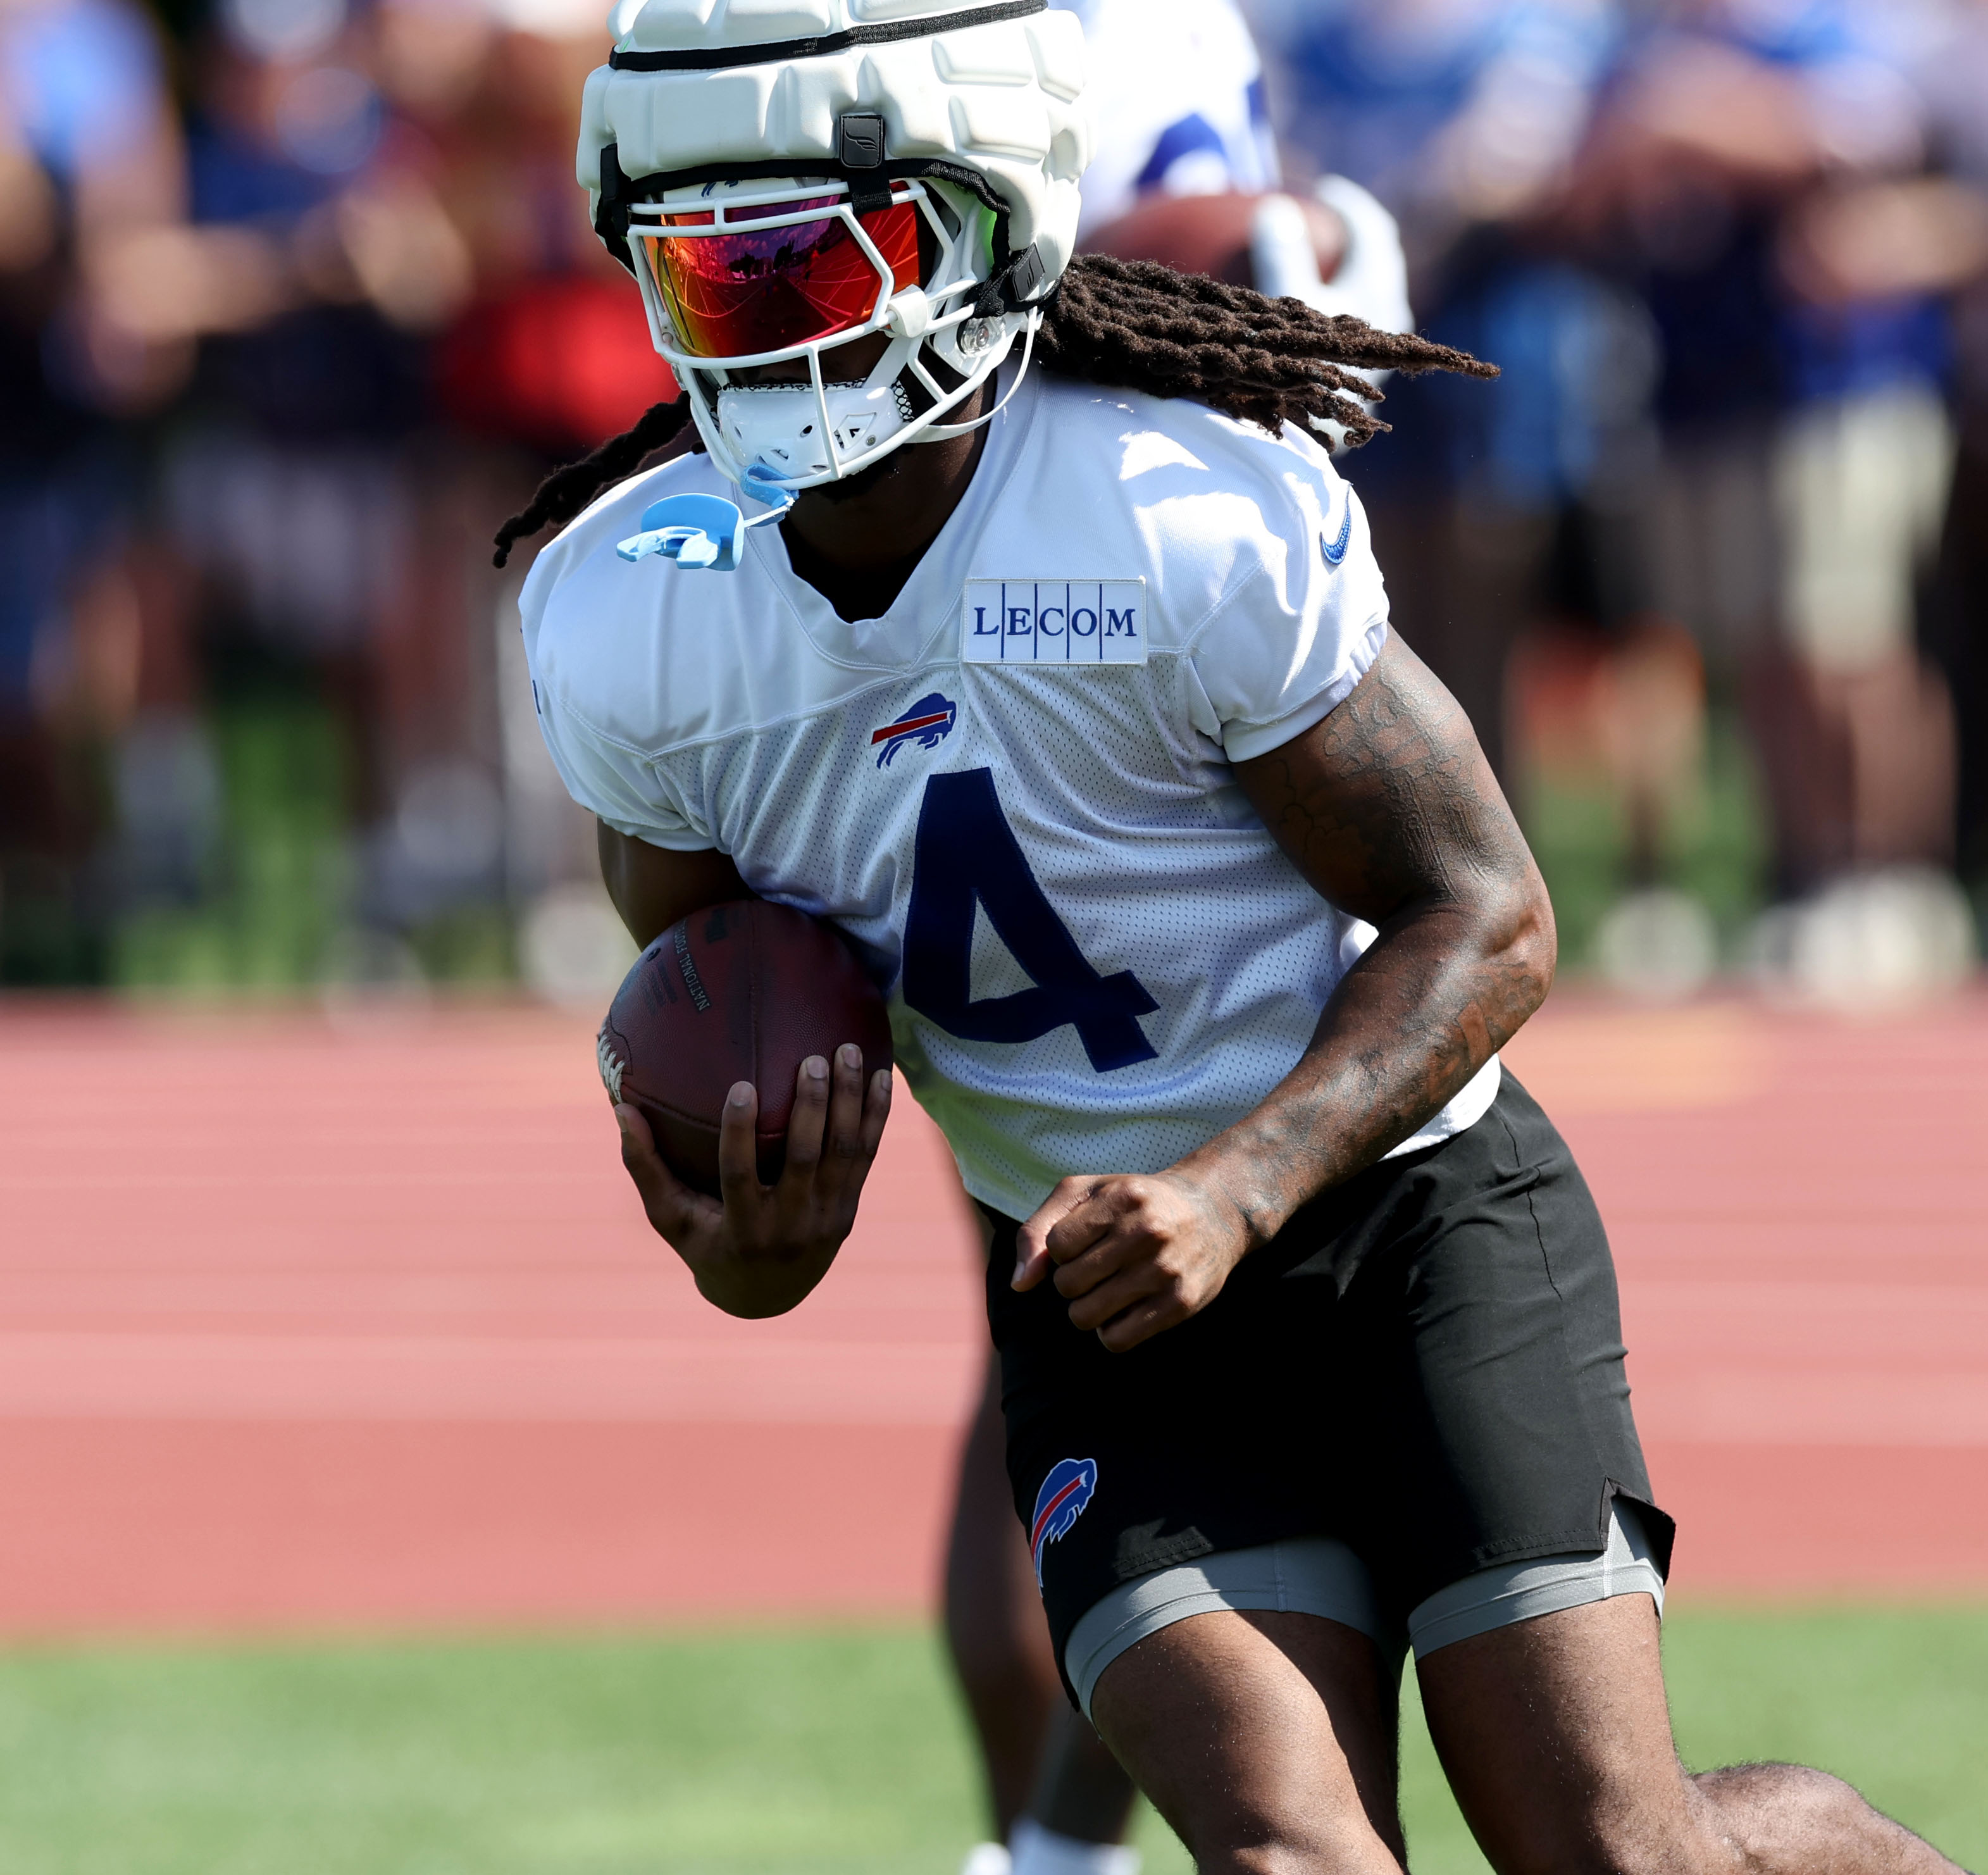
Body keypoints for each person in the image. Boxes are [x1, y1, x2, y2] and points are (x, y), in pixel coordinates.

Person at [503, 5, 1967, 1871]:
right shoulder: (638, 613)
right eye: (719, 284)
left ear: (979, 227)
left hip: (1416, 1219)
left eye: (825, 260)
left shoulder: (1172, 507)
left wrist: (1238, 1180)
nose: (783, 333)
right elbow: (730, 1009)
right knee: (1290, 1855)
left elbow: (1491, 911)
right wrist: (748, 1243)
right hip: (1109, 1300)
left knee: (1615, 1849)